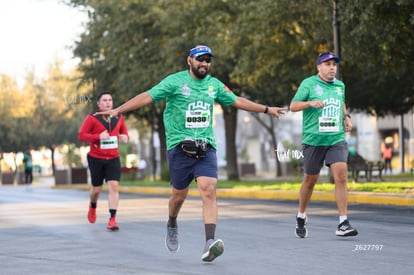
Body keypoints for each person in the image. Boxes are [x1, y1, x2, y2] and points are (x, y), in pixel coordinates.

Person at [96, 44, 287, 262]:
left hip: (205, 146)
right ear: (190, 60)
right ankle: (172, 221)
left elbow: (237, 101)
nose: (204, 63)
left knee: (208, 188)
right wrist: (118, 110)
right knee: (179, 196)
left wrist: (266, 109)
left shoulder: (213, 85)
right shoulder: (175, 82)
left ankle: (209, 242)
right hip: (179, 147)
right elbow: (148, 96)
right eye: (200, 59)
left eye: (208, 60)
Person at [290, 52, 358, 238]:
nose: (332, 68)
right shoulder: (308, 84)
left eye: (334, 64)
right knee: (310, 181)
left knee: (341, 175)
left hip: (335, 138)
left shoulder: (339, 85)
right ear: (319, 67)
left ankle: (343, 222)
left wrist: (346, 117)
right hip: (313, 140)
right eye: (327, 64)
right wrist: (310, 103)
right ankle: (301, 214)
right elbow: (293, 106)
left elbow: (341, 103)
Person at [78, 91, 129, 231]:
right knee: (96, 189)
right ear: (99, 103)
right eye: (104, 100)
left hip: (113, 158)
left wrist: (125, 137)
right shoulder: (92, 118)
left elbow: (124, 132)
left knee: (113, 186)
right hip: (96, 158)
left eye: (110, 100)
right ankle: (92, 205)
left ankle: (112, 219)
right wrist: (98, 137)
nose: (108, 102)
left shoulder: (118, 117)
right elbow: (81, 135)